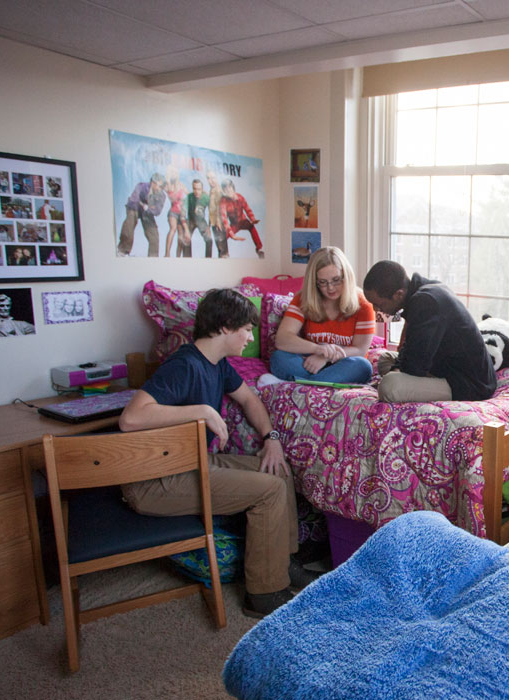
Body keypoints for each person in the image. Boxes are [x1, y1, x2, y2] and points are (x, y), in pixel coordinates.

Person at [118, 289, 315, 618]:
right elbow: (131, 418)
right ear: (225, 327)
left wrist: (272, 438)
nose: (250, 337)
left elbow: (251, 400)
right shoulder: (182, 365)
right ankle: (264, 594)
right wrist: (204, 412)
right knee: (267, 491)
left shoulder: (219, 365)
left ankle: (283, 563)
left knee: (276, 470)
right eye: (246, 329)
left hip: (189, 461)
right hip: (155, 479)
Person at [362, 260, 495, 403]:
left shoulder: (426, 303)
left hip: (469, 383)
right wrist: (398, 368)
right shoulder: (423, 290)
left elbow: (414, 367)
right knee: (385, 359)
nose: (376, 310)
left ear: (398, 294)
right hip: (442, 365)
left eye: (378, 304)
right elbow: (411, 350)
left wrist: (397, 372)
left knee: (389, 386)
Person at [262, 247, 375, 386]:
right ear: (314, 282)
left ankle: (299, 383)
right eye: (323, 282)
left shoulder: (363, 304)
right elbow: (282, 339)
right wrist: (318, 350)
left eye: (336, 280)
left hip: (343, 363)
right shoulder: (303, 299)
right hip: (310, 362)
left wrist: (326, 358)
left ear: (346, 276)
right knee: (279, 357)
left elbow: (360, 349)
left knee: (363, 366)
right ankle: (320, 383)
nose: (331, 288)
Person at [116, 173, 167, 256]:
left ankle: (153, 258)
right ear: (153, 183)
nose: (161, 189)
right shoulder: (141, 186)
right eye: (159, 186)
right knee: (129, 223)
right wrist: (144, 205)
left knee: (154, 236)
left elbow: (157, 211)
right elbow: (133, 200)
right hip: (134, 207)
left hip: (147, 212)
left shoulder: (162, 195)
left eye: (162, 187)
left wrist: (148, 209)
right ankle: (122, 250)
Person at [219, 179, 264, 259]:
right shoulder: (223, 201)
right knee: (223, 237)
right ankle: (224, 254)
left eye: (229, 188)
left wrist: (252, 219)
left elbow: (247, 209)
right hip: (233, 225)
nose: (228, 190)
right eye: (225, 189)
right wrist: (231, 233)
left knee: (251, 226)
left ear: (233, 188)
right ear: (223, 191)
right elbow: (224, 218)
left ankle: (259, 248)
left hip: (243, 221)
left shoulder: (240, 197)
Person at [162, 166, 187, 258]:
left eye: (175, 173)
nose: (173, 175)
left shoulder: (181, 185)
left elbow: (189, 195)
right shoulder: (167, 185)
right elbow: (163, 186)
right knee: (173, 229)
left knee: (181, 235)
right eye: (171, 173)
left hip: (181, 213)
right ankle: (167, 253)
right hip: (173, 212)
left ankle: (178, 256)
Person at [185, 178, 214, 258]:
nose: (197, 191)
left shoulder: (206, 198)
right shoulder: (189, 197)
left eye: (199, 189)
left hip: (201, 221)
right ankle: (187, 260)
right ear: (192, 188)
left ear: (202, 189)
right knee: (186, 239)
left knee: (209, 240)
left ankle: (208, 261)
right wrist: (186, 229)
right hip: (191, 220)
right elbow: (182, 213)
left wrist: (209, 226)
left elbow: (211, 212)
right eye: (195, 189)